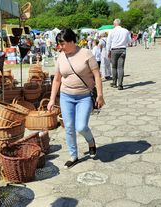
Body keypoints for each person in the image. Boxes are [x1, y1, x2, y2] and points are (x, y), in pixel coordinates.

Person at [47, 29, 105, 169]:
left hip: (84, 96)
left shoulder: (86, 54)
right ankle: (73, 156)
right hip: (66, 96)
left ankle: (90, 141)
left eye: (62, 44)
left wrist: (100, 95)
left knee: (81, 126)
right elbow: (57, 80)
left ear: (72, 41)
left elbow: (97, 75)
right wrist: (51, 99)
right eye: (59, 44)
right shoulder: (61, 57)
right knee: (68, 127)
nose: (60, 47)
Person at [106, 18, 131, 90]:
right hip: (122, 50)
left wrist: (108, 51)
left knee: (114, 67)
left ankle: (114, 83)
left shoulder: (112, 31)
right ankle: (120, 84)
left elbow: (108, 42)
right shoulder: (125, 31)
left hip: (114, 50)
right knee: (121, 67)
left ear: (114, 24)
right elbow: (129, 41)